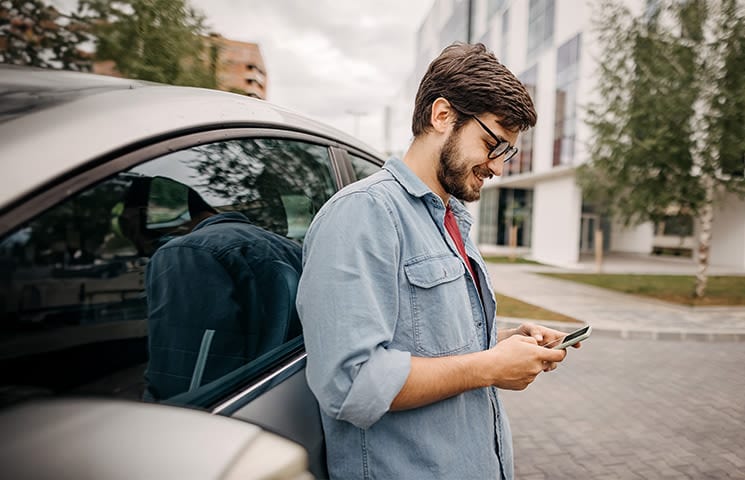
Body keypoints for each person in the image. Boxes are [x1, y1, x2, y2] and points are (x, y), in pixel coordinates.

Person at [297, 43, 580, 479]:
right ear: (442, 115)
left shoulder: (452, 218)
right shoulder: (363, 213)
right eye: (493, 144)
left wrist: (503, 341)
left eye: (506, 153)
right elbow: (353, 383)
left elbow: (422, 336)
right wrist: (488, 367)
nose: (498, 168)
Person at [142, 185, 303, 401]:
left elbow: (187, 388)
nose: (131, 236)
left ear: (146, 215)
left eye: (127, 225)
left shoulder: (186, 253)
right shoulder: (290, 247)